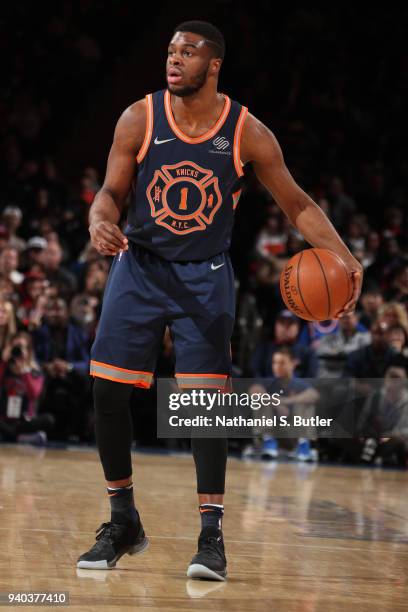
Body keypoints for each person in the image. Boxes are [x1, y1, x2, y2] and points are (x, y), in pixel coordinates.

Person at [77, 21, 363, 580]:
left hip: (204, 276)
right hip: (139, 267)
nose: (174, 59)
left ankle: (211, 536)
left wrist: (347, 259)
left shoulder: (247, 131)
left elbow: (298, 206)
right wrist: (98, 217)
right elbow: (112, 191)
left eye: (188, 52)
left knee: (203, 408)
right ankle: (122, 519)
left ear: (214, 65)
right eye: (170, 50)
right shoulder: (140, 117)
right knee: (107, 391)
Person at [244, 347, 320, 462]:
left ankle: (303, 444)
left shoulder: (300, 384)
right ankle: (268, 441)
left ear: (293, 363)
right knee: (260, 400)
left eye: (282, 363)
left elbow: (314, 395)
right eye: (275, 362)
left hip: (292, 434)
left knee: (306, 403)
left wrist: (286, 401)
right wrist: (277, 404)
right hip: (271, 432)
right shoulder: (267, 382)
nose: (277, 366)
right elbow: (254, 390)